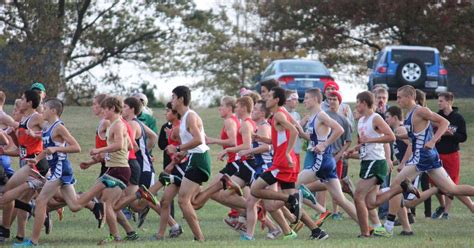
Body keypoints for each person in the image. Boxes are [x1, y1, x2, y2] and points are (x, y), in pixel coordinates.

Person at [367, 85, 474, 236]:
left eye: (399, 97)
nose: (397, 100)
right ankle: (394, 222)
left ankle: (388, 227)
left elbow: (445, 123)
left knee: (395, 186)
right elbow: (414, 136)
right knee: (452, 189)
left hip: (422, 156)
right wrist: (396, 136)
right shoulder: (410, 113)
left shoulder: (420, 110)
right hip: (425, 157)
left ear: (410, 97)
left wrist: (433, 141)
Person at [15, 98, 103, 246]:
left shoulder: (59, 127)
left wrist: (57, 149)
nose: (42, 110)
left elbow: (76, 147)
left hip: (61, 169)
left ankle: (33, 241)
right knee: (74, 206)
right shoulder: (46, 126)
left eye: (45, 108)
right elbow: (46, 149)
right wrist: (36, 160)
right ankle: (98, 204)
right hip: (56, 169)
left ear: (53, 111)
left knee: (41, 201)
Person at [250, 86, 301, 240]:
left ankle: (296, 197)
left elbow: (295, 131)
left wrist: (286, 153)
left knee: (255, 189)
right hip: (284, 162)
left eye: (270, 96)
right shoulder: (280, 114)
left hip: (281, 163)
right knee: (271, 206)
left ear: (277, 100)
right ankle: (292, 232)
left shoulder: (279, 115)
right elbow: (280, 138)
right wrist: (261, 139)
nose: (267, 98)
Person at [345, 91, 395, 238]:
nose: (356, 105)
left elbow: (390, 137)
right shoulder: (361, 121)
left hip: (376, 162)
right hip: (367, 162)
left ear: (364, 103)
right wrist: (354, 149)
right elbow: (364, 143)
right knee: (371, 202)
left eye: (358, 102)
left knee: (358, 196)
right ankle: (399, 188)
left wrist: (370, 141)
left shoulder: (376, 118)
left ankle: (365, 233)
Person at [165, 86, 212, 241]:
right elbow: (193, 142)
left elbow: (199, 140)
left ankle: (199, 238)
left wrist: (177, 147)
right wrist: (182, 153)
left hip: (200, 159)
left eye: (173, 97)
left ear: (180, 99)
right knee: (191, 202)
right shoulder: (185, 117)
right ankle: (199, 238)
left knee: (183, 200)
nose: (171, 100)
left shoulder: (190, 116)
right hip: (195, 158)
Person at [431, 92, 468, 219]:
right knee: (434, 181)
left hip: (452, 154)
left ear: (449, 102)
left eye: (441, 101)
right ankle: (441, 206)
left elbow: (463, 137)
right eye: (439, 100)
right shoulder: (436, 117)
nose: (439, 103)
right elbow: (433, 133)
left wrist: (451, 134)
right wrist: (438, 136)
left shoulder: (458, 118)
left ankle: (446, 212)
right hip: (437, 154)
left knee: (451, 184)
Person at [325, 91, 354, 220]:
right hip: (325, 154)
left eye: (334, 99)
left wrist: (340, 154)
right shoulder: (324, 116)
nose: (331, 101)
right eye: (329, 99)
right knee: (324, 183)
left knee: (336, 183)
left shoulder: (344, 120)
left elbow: (348, 141)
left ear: (339, 102)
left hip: (336, 155)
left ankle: (336, 211)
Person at [285, 90, 302, 168]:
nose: (297, 101)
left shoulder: (297, 115)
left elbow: (300, 133)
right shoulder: (282, 114)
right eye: (294, 99)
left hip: (297, 151)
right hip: (287, 153)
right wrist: (301, 123)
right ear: (287, 100)